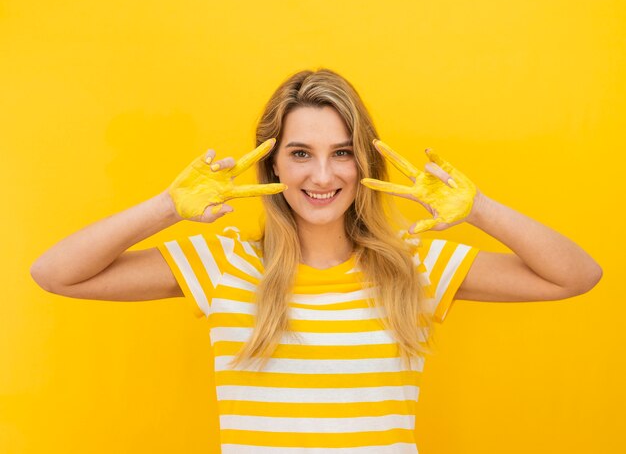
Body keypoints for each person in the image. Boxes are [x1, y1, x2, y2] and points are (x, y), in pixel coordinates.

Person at [31, 68, 602, 453]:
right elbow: (55, 273)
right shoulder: (224, 264)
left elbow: (577, 275)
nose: (323, 176)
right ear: (273, 163)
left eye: (343, 153)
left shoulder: (412, 264)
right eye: (301, 153)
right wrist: (166, 207)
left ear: (364, 163)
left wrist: (478, 210)